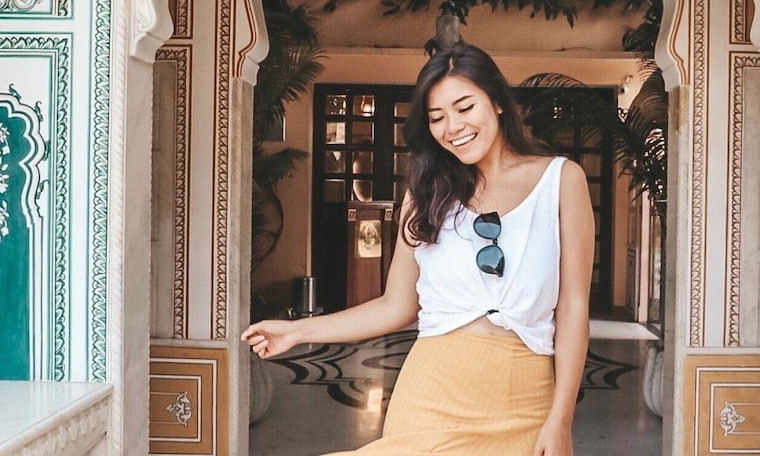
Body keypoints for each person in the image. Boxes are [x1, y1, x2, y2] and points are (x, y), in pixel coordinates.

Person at [241, 43, 594, 456]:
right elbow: (396, 306)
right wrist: (297, 332)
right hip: (429, 398)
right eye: (437, 117)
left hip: (526, 402)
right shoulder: (425, 194)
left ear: (497, 101)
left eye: (465, 107)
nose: (453, 126)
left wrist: (561, 420)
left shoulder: (561, 181)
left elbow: (573, 308)